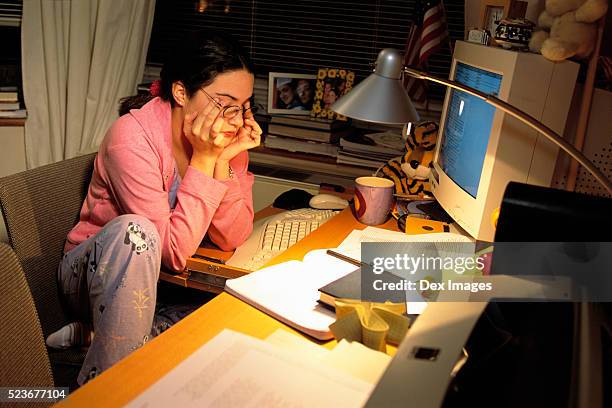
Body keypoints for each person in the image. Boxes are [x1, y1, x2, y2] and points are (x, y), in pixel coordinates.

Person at [48, 30, 262, 386]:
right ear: (181, 92)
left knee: (233, 321)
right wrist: (205, 158)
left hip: (164, 287)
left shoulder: (222, 138)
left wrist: (224, 159)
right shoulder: (131, 138)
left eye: (244, 105)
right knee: (138, 231)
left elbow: (232, 237)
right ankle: (102, 389)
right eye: (225, 104)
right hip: (95, 273)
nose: (238, 119)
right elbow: (172, 254)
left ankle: (103, 334)